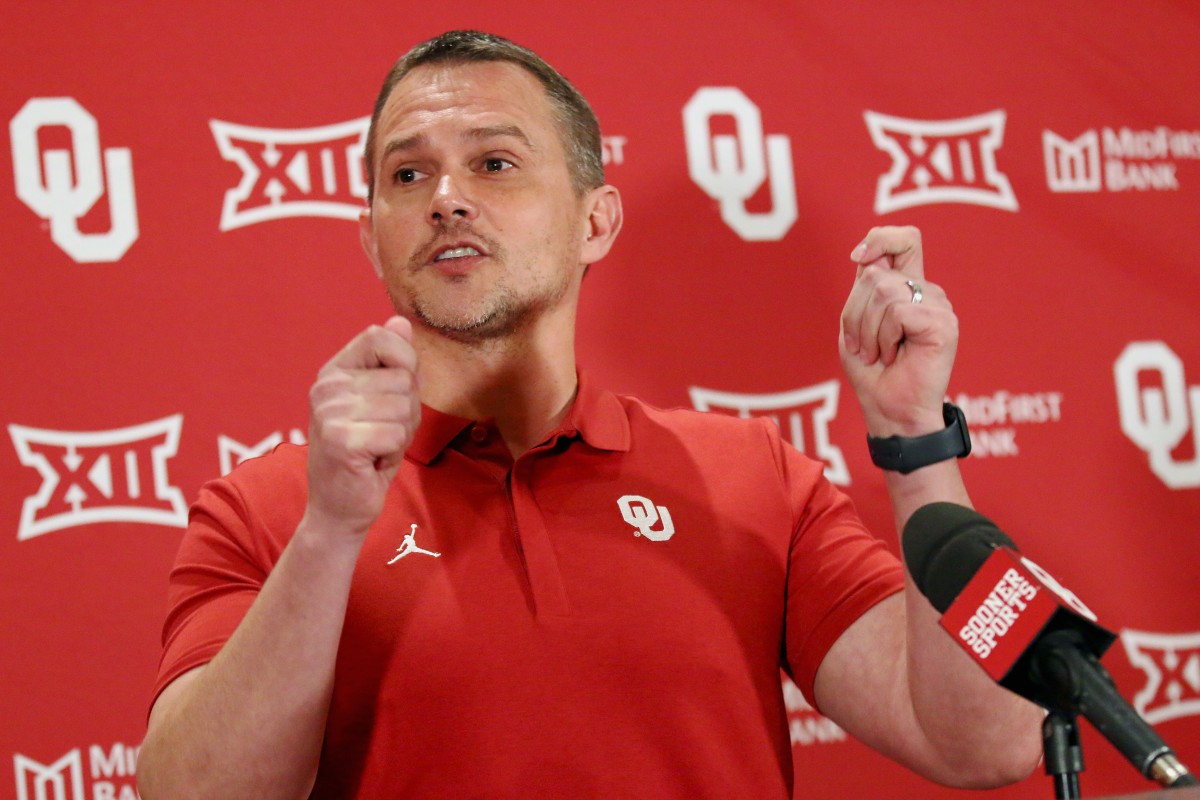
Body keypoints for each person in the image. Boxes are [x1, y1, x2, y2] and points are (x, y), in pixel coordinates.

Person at [137, 30, 1043, 800]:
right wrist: (331, 531)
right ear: (373, 240)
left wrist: (916, 440)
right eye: (408, 174)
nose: (446, 197)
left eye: (494, 163)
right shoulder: (267, 511)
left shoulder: (753, 476)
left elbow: (992, 739)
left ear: (595, 222)